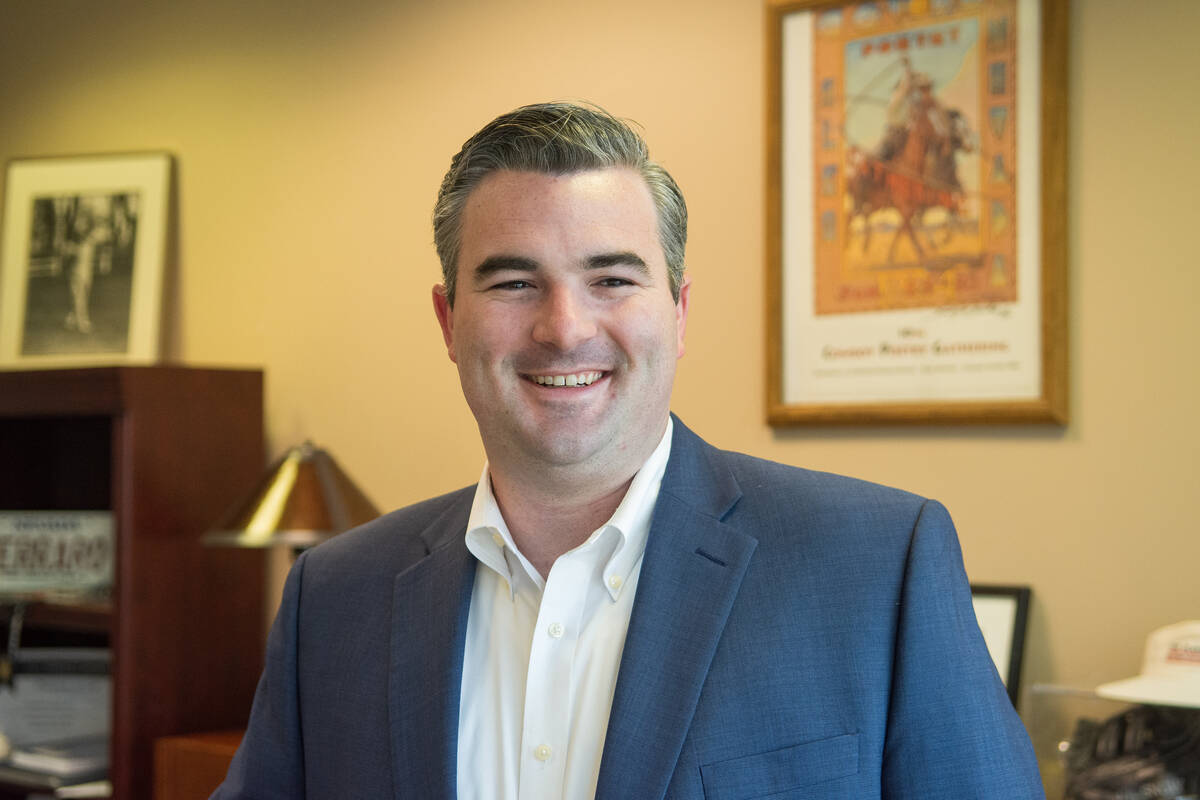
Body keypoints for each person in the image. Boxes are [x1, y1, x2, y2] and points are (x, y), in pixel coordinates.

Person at [213, 102, 1045, 798]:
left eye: (612, 279)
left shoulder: (874, 567)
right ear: (446, 319)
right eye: (513, 282)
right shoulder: (335, 599)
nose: (565, 327)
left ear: (678, 314)